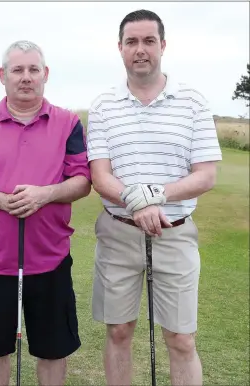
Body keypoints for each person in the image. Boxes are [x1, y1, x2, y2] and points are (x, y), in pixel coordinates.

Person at [86, 9, 222, 386]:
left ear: (163, 45)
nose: (140, 50)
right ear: (120, 48)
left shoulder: (192, 102)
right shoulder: (103, 105)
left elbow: (206, 175)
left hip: (174, 231)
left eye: (149, 41)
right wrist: (136, 200)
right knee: (118, 333)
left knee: (180, 338)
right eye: (132, 42)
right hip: (118, 233)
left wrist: (155, 196)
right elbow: (100, 175)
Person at [0, 40, 92, 386]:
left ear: (45, 75)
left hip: (51, 259)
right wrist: (2, 201)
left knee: (52, 350)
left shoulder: (68, 122)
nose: (26, 77)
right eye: (17, 70)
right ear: (3, 76)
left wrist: (46, 195)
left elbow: (82, 180)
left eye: (33, 70)